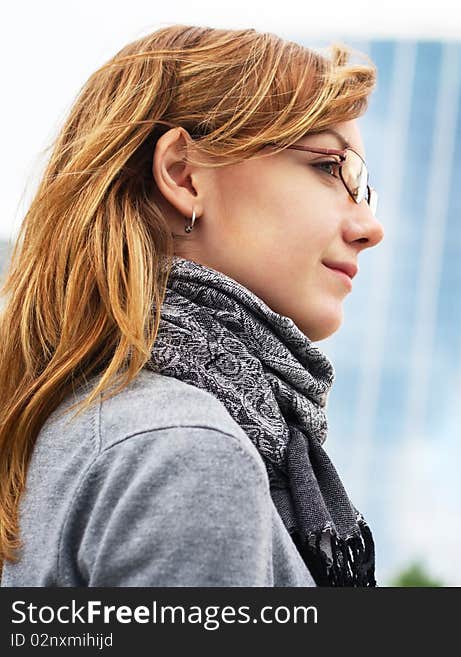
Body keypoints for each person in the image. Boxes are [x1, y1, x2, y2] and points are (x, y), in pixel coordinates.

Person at [0, 24, 384, 586]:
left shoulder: (62, 421)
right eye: (329, 167)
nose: (370, 226)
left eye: (364, 187)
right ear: (183, 175)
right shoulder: (189, 453)